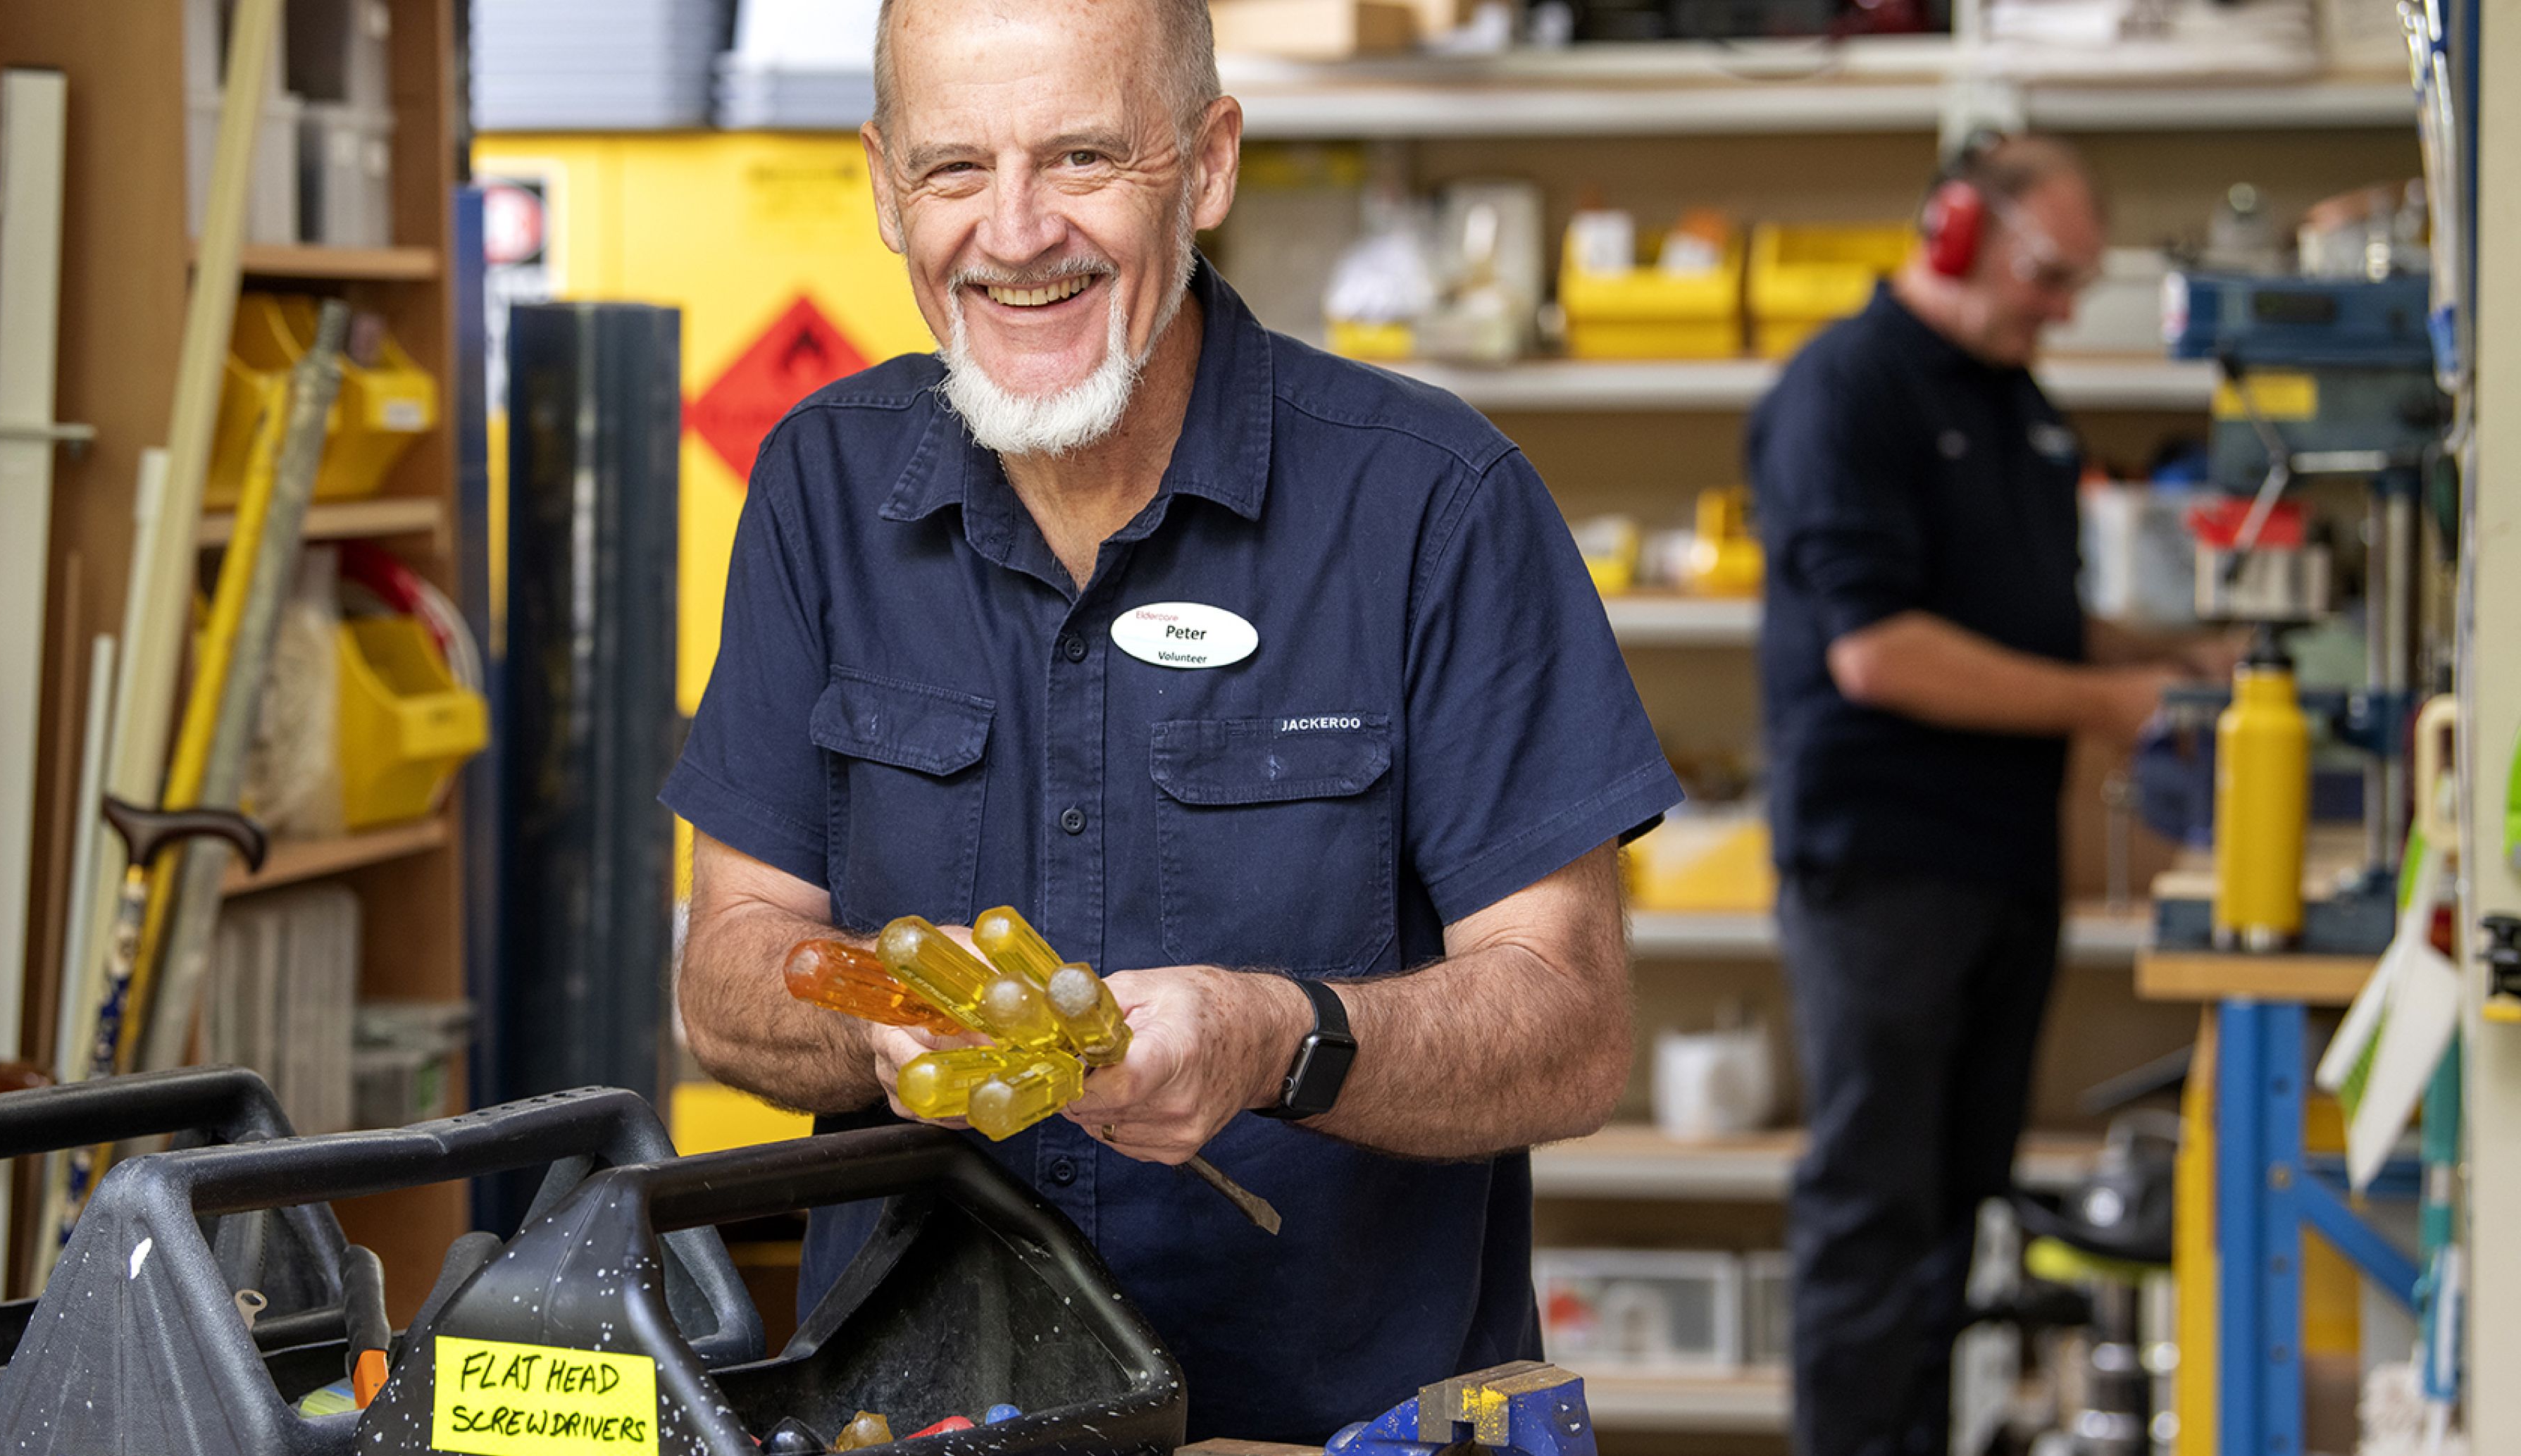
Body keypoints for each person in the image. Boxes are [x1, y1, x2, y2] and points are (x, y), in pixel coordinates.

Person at [661, 0, 1681, 1441]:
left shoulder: (1435, 504)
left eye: (1080, 158)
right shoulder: (822, 486)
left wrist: (1278, 1037)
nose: (1015, 235)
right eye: (956, 171)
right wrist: (889, 1010)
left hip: (1336, 1424)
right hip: (932, 1417)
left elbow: (1570, 1026)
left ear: (1205, 166)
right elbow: (726, 972)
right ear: (886, 189)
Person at [1751, 133, 2229, 1456]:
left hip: (2004, 861)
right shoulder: (1848, 392)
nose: (2065, 306)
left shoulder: (2022, 401)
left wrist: (2177, 663)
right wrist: (2111, 707)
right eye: (2050, 274)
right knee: (1875, 1207)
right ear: (1955, 230)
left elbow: (2043, 621)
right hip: (1887, 867)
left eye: (2080, 281)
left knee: (1957, 1203)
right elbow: (1879, 650)